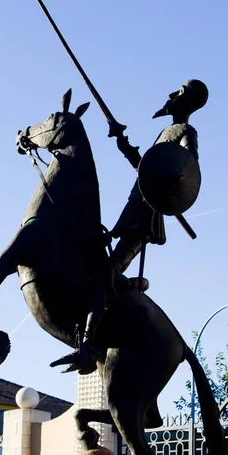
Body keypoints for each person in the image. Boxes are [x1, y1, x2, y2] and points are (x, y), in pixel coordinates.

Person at [51, 79, 209, 374]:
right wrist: (127, 149)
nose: (171, 94)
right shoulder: (165, 132)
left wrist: (174, 177)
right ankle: (122, 291)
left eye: (180, 93)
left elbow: (187, 168)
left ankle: (88, 344)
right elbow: (147, 170)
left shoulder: (186, 132)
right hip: (135, 203)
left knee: (105, 272)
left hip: (146, 214)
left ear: (189, 102)